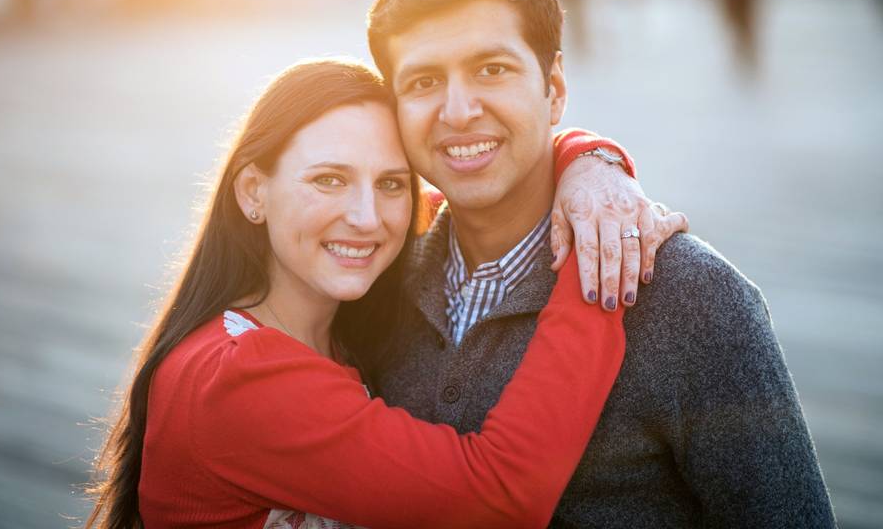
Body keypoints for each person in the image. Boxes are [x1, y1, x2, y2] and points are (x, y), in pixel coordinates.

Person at [85, 58, 684, 528]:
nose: (367, 219)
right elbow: (501, 498)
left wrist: (589, 160)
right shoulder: (234, 376)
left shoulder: (337, 305)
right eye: (328, 180)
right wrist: (599, 255)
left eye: (392, 183)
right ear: (252, 192)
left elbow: (492, 179)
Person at [367, 0, 837, 527]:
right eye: (423, 82)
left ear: (554, 88)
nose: (458, 110)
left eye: (493, 69)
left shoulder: (692, 300)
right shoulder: (374, 282)